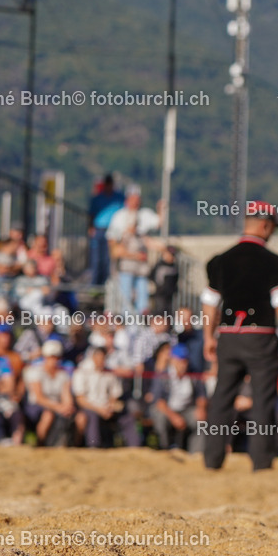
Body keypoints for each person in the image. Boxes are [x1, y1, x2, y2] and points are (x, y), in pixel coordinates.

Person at [201, 202, 278, 471]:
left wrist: (208, 336)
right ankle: (261, 461)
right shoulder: (274, 262)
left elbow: (209, 303)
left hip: (228, 337)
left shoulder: (220, 261)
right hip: (260, 337)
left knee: (222, 397)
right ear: (265, 225)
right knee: (263, 399)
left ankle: (212, 459)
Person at [73, 344, 139, 448]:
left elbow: (115, 394)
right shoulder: (82, 372)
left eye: (103, 358)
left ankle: (135, 446)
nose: (101, 361)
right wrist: (99, 409)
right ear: (93, 357)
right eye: (98, 357)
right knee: (91, 416)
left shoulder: (109, 372)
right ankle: (93, 447)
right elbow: (80, 399)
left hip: (107, 407)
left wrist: (110, 406)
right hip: (90, 407)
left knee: (127, 417)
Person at [107, 185, 160, 314]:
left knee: (142, 300)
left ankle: (141, 319)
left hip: (141, 268)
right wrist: (135, 255)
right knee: (126, 299)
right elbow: (115, 249)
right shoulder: (119, 218)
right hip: (126, 267)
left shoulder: (143, 219)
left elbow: (155, 229)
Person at [150, 344, 207, 452]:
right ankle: (164, 449)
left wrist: (201, 408)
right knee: (160, 417)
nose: (183, 364)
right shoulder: (163, 375)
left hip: (187, 410)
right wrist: (173, 416)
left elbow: (201, 395)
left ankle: (196, 453)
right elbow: (158, 401)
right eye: (180, 361)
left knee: (201, 422)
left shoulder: (193, 374)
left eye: (185, 361)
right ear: (172, 360)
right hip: (168, 410)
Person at [21, 339, 74, 446]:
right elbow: (39, 398)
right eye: (51, 357)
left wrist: (67, 407)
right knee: (48, 414)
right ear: (45, 357)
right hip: (36, 406)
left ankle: (64, 444)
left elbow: (66, 395)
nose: (54, 360)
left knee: (71, 414)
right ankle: (40, 443)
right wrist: (58, 407)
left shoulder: (63, 375)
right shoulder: (35, 372)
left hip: (56, 406)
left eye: (56, 357)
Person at [89, 173, 125, 285]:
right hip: (99, 230)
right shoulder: (97, 198)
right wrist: (90, 227)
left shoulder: (119, 198)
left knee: (108, 259)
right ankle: (95, 285)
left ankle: (106, 284)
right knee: (96, 259)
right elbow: (91, 214)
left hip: (113, 231)